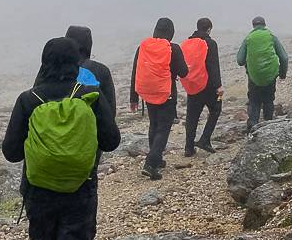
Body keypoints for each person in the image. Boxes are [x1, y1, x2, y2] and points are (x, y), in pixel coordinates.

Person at [2, 37, 119, 240]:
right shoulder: (88, 95)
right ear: (77, 62)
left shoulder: (29, 99)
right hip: (80, 190)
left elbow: (10, 152)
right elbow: (112, 141)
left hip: (38, 192)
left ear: (44, 62)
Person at [129, 17, 189, 180]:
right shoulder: (173, 48)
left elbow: (136, 70)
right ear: (171, 32)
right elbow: (183, 72)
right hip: (166, 94)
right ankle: (150, 163)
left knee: (154, 125)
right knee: (163, 128)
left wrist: (133, 98)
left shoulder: (143, 46)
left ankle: (156, 158)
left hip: (148, 93)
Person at [33, 25, 116, 113]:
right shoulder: (101, 70)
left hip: (49, 122)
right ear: (89, 45)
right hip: (87, 123)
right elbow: (110, 108)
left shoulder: (50, 68)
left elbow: (35, 96)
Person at [236, 15, 288, 131]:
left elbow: (240, 60)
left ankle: (253, 125)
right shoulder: (271, 37)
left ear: (253, 26)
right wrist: (282, 74)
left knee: (254, 101)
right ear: (264, 25)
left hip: (254, 76)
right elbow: (284, 58)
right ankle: (268, 125)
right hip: (270, 75)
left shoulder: (248, 38)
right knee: (269, 100)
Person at [180, 17, 223, 155]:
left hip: (192, 85)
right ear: (209, 29)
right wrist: (218, 86)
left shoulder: (186, 43)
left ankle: (188, 148)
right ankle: (204, 139)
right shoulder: (210, 43)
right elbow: (213, 66)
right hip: (208, 86)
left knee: (192, 116)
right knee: (215, 110)